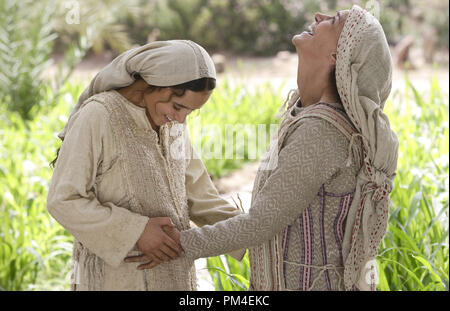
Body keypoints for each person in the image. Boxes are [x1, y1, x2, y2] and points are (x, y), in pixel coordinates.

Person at [130, 5, 399, 291]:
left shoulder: (322, 132)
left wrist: (170, 245)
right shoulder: (306, 117)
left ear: (338, 56)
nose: (318, 17)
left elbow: (260, 223)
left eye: (332, 22)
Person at [47, 40, 245, 291]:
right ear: (153, 84)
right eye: (178, 106)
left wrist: (255, 229)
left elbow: (200, 197)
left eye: (190, 112)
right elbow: (63, 199)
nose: (181, 119)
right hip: (115, 280)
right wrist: (136, 232)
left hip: (174, 278)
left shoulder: (172, 124)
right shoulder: (98, 116)